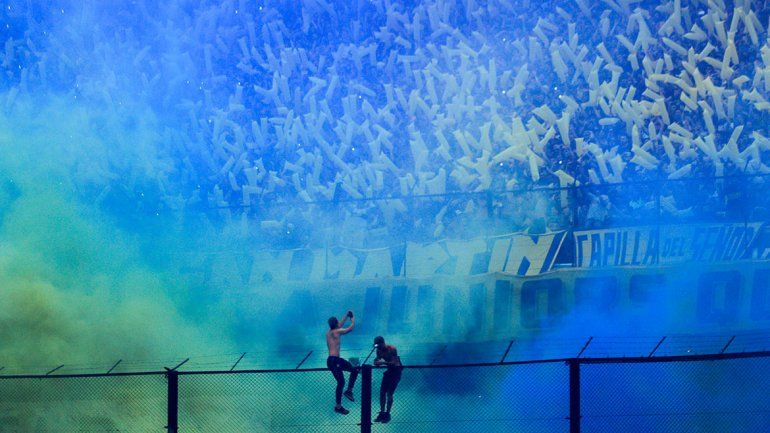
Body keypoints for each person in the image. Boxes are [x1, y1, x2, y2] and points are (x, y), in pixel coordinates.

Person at [326, 310, 358, 414]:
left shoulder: (329, 332)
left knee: (353, 371)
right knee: (343, 380)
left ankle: (347, 394)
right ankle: (341, 401)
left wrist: (346, 316)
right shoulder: (337, 332)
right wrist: (352, 319)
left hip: (332, 360)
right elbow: (350, 328)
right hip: (335, 360)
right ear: (335, 324)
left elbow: (339, 324)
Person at [373, 336, 402, 423]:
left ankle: (387, 414)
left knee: (389, 393)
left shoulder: (392, 349)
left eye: (379, 345)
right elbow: (377, 360)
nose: (378, 348)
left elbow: (394, 362)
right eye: (377, 346)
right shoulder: (378, 350)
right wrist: (376, 362)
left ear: (383, 343)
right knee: (382, 392)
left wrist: (382, 362)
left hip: (396, 371)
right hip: (389, 371)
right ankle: (382, 413)